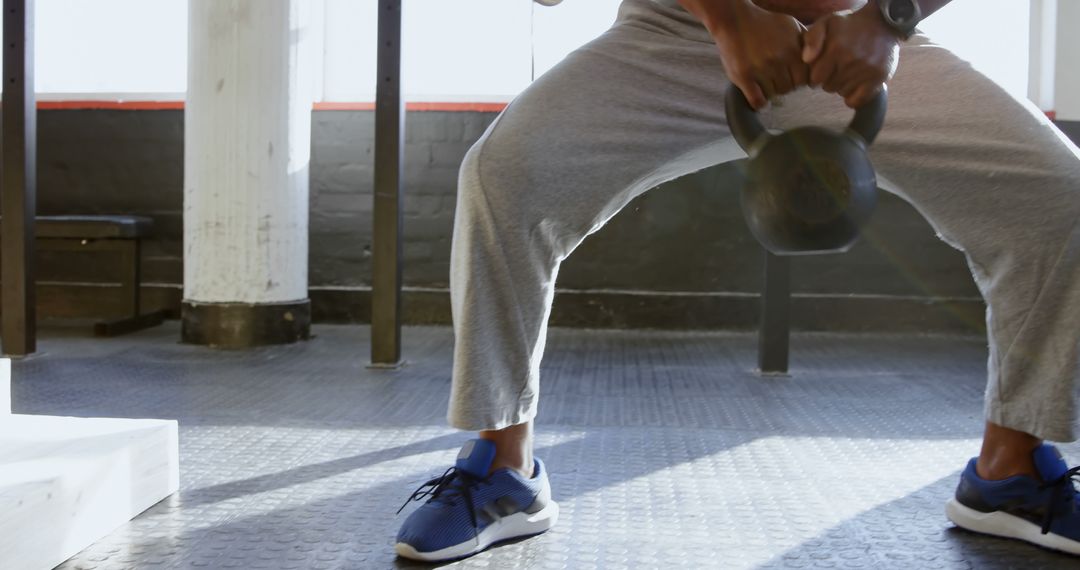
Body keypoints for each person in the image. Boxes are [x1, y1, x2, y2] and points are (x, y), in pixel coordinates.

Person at [394, 0, 1080, 562]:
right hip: (676, 33)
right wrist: (726, 17)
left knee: (1059, 198)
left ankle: (1009, 470)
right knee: (506, 177)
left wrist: (891, 16)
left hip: (859, 40)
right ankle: (505, 465)